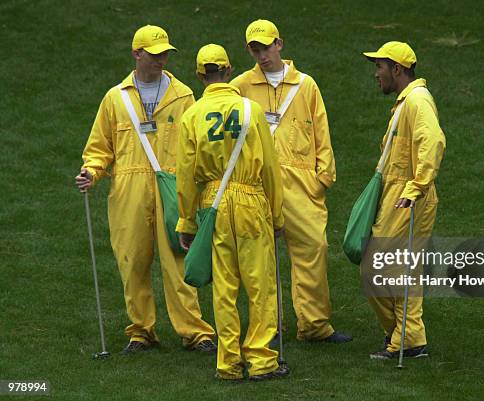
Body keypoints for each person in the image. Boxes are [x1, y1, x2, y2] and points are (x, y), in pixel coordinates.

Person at [75, 25, 216, 355]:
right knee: (132, 261)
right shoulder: (115, 98)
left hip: (174, 189)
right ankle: (141, 331)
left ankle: (195, 331)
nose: (162, 60)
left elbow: (196, 143)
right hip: (129, 192)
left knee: (178, 260)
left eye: (166, 53)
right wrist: (91, 172)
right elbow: (100, 147)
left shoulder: (183, 95)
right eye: (155, 55)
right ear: (137, 54)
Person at [231, 19, 351, 343]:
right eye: (255, 49)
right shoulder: (241, 86)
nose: (261, 55)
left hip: (301, 183)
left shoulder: (306, 85)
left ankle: (314, 325)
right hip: (257, 182)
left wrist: (322, 178)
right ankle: (268, 328)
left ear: (279, 44)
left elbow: (322, 133)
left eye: (266, 47)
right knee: (261, 260)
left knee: (314, 248)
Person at [176, 44, 287, 381]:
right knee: (260, 286)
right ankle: (262, 360)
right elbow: (269, 167)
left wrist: (186, 220)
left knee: (224, 288)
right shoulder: (251, 110)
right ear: (228, 71)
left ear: (200, 76)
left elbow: (185, 175)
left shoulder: (191, 115)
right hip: (251, 200)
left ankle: (228, 363)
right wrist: (277, 216)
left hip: (213, 203)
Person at [362, 41, 446, 359]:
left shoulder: (417, 101)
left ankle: (407, 337)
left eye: (379, 67)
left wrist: (415, 189)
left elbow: (433, 141)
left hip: (409, 195)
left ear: (397, 69)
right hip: (400, 192)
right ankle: (405, 335)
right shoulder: (406, 101)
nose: (376, 74)